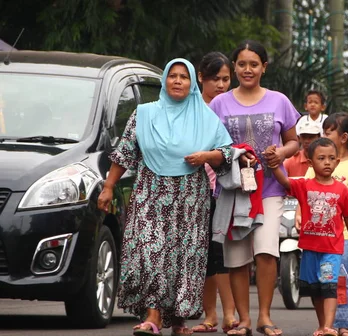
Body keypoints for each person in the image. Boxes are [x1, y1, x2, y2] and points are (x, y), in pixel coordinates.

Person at [97, 58, 233, 336]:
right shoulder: (144, 114)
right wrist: (108, 186)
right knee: (151, 252)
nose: (178, 81)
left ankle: (179, 320)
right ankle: (153, 316)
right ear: (165, 80)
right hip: (150, 192)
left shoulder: (206, 117)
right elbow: (125, 153)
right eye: (173, 76)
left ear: (192, 82)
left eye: (185, 77)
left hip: (191, 197)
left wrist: (207, 156)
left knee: (185, 257)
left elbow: (227, 153)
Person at [209, 40, 300, 336]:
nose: (248, 70)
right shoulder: (219, 103)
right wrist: (234, 154)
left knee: (265, 251)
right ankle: (243, 320)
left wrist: (282, 154)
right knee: (236, 258)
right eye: (242, 64)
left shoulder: (279, 100)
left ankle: (264, 317)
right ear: (234, 67)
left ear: (264, 67)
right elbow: (211, 143)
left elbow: (294, 141)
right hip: (233, 192)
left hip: (271, 188)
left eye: (254, 64)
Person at [271, 138, 348, 336]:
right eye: (321, 158)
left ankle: (329, 325)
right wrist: (274, 164)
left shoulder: (341, 189)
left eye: (331, 158)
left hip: (332, 249)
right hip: (310, 248)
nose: (327, 162)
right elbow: (285, 181)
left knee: (329, 286)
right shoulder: (304, 186)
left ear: (337, 162)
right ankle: (322, 325)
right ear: (311, 163)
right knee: (314, 288)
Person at [304, 113, 348, 336]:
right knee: (322, 281)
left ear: (343, 137)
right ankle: (327, 324)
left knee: (344, 279)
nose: (324, 136)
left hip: (346, 234)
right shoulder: (317, 162)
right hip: (319, 235)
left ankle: (346, 324)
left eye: (328, 132)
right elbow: (305, 189)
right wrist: (298, 213)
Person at [191, 52, 239, 334]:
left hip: (228, 188)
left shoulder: (232, 106)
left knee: (224, 253)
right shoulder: (192, 108)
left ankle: (230, 314)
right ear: (201, 78)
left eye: (225, 79)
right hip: (199, 188)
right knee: (207, 254)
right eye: (214, 79)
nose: (221, 85)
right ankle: (211, 315)